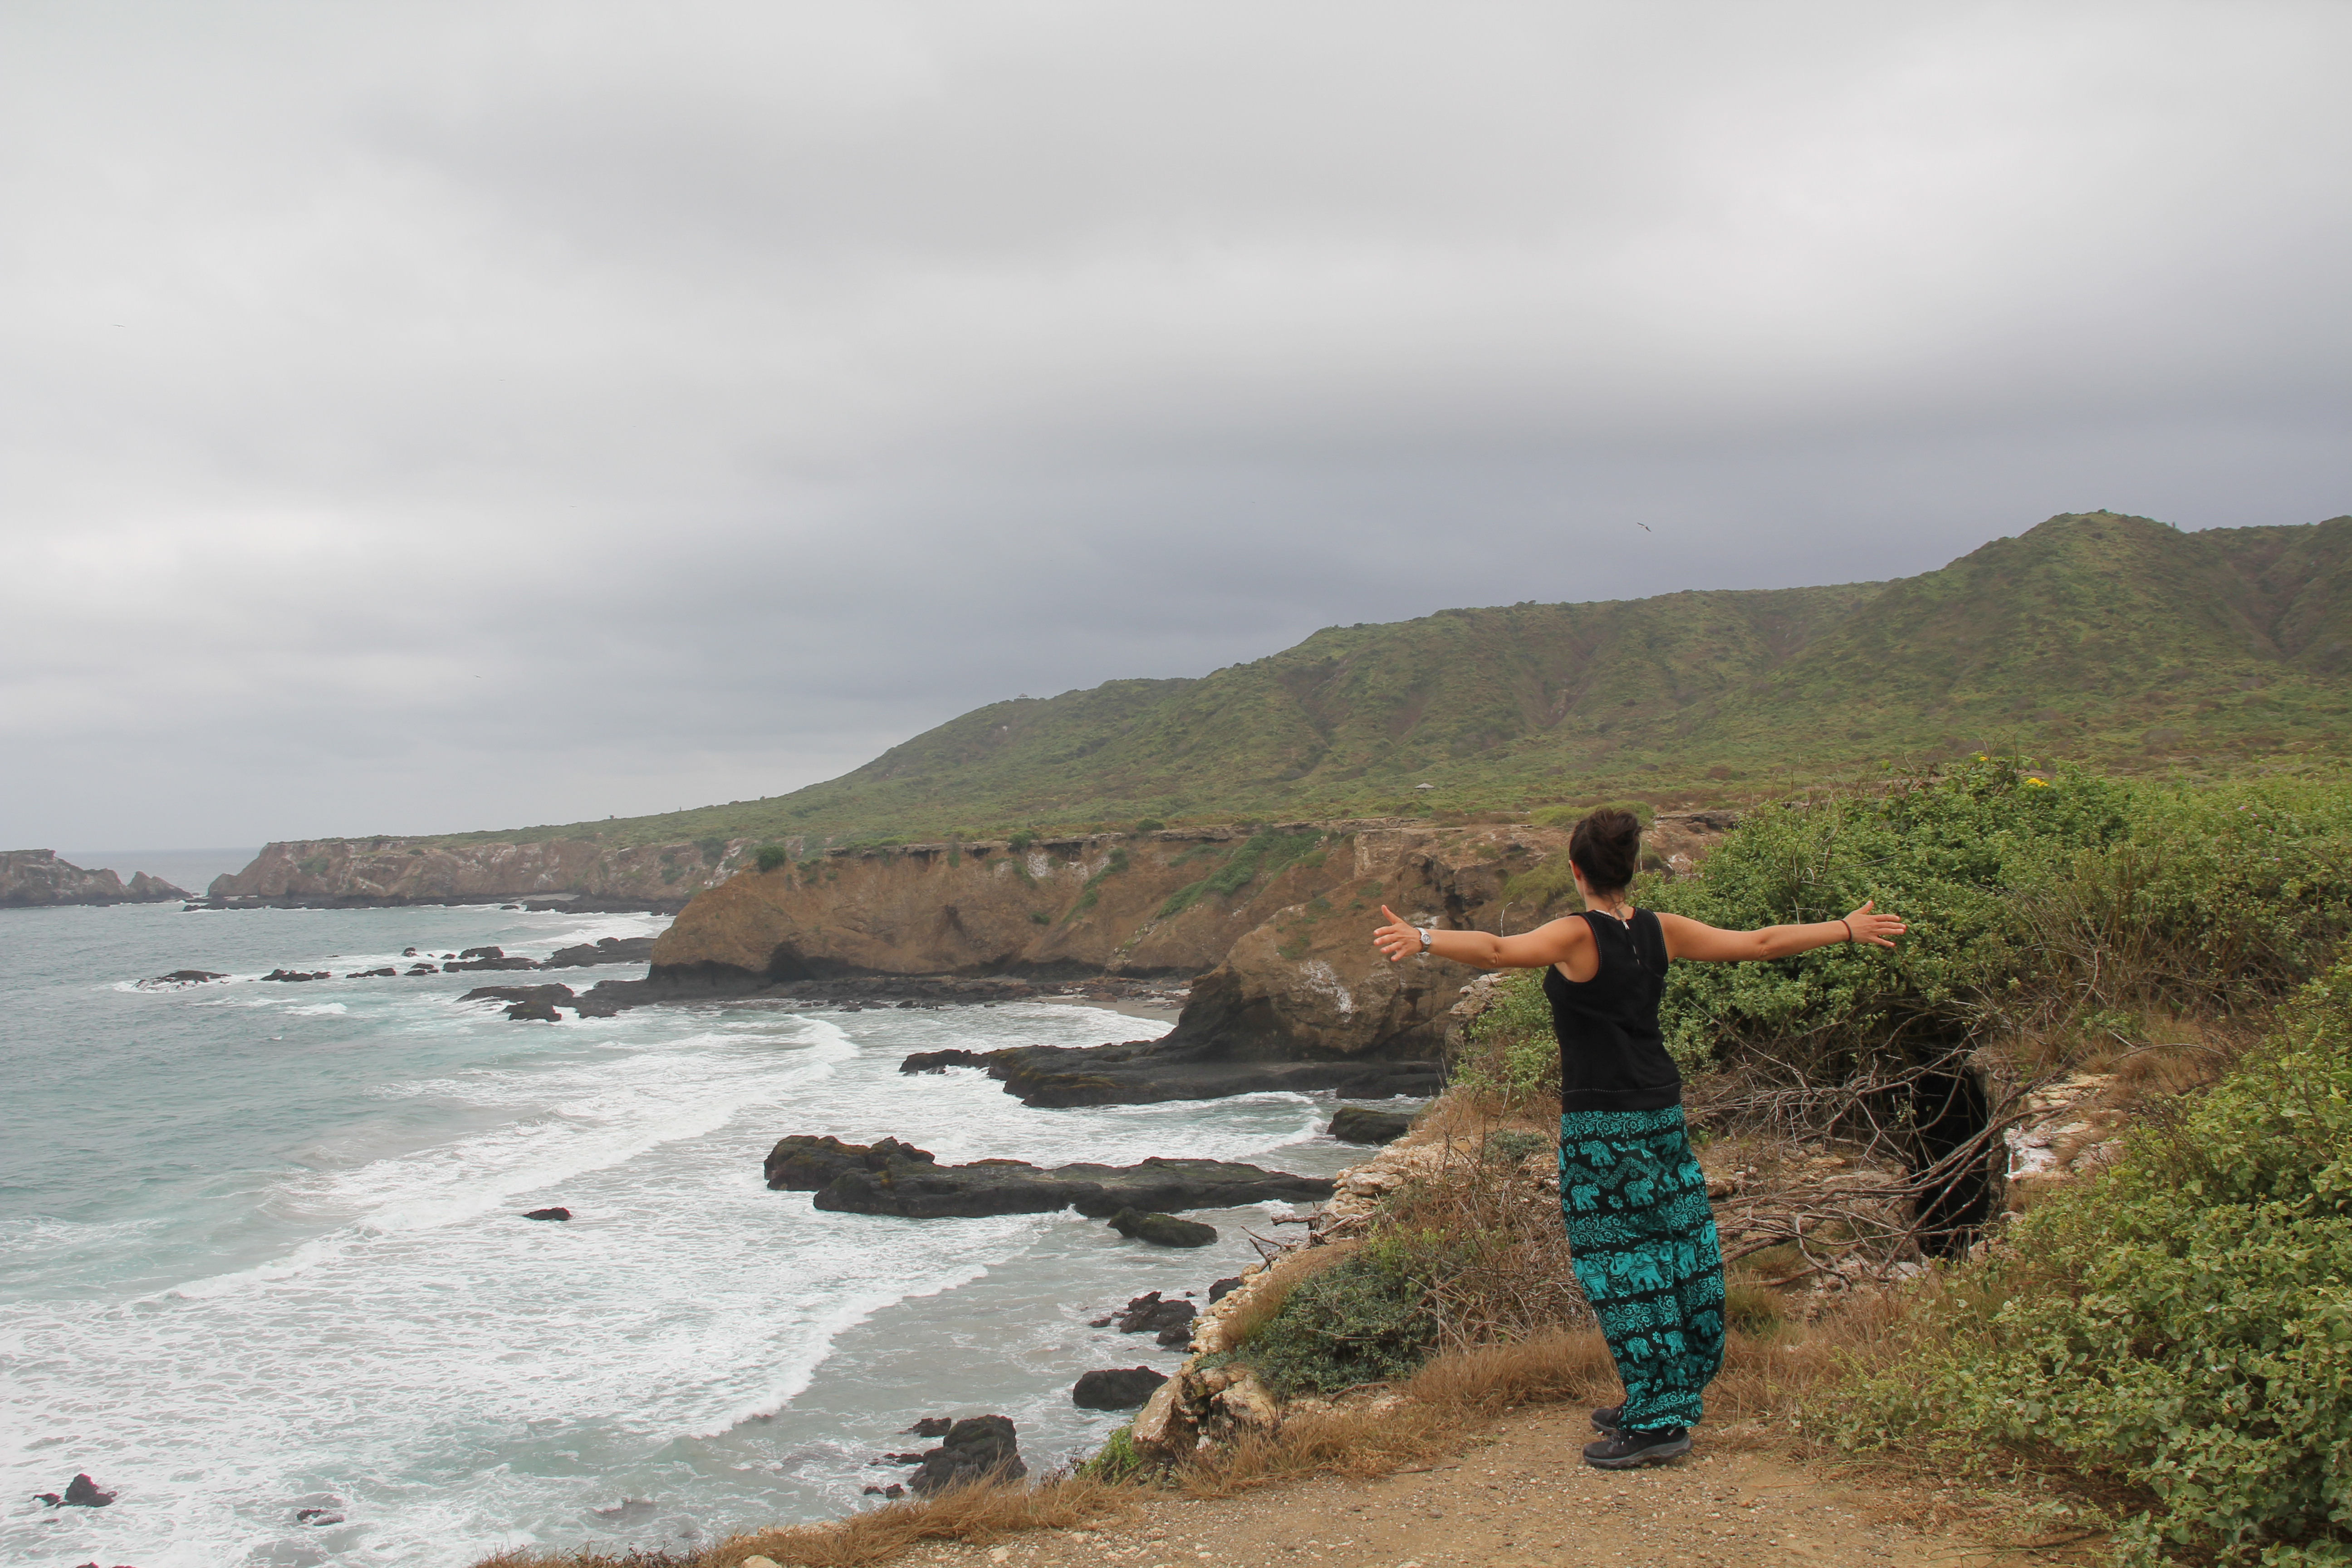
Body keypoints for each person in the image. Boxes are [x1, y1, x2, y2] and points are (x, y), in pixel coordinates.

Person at [1371, 807, 1906, 1469]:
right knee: (1680, 1248)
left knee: (1623, 1268)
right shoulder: (1660, 930)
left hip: (1603, 1130)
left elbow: (1500, 952)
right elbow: (1762, 942)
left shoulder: (1575, 936)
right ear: (1630, 868)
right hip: (1661, 1115)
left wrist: (1423, 937)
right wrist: (1847, 929)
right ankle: (1663, 1389)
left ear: (1576, 870)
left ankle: (1660, 1422)